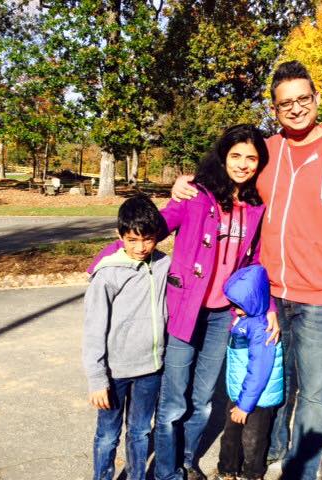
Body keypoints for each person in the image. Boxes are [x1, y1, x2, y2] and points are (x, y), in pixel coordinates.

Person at [171, 61, 322, 480]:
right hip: (269, 297)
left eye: (304, 99)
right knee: (274, 385)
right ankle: (268, 453)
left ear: (316, 98)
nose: (296, 108)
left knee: (314, 394)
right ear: (275, 109)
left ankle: (298, 471)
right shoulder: (267, 153)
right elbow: (228, 176)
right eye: (286, 103)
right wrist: (187, 182)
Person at [88, 125, 278, 480]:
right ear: (222, 157)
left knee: (202, 400)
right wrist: (106, 258)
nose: (242, 164)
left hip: (222, 316)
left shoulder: (256, 206)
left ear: (259, 163)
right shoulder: (195, 194)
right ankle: (166, 471)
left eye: (251, 158)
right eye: (235, 155)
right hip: (184, 312)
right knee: (174, 402)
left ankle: (187, 462)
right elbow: (150, 230)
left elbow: (254, 263)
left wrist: (266, 307)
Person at [82, 194, 170, 480]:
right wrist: (97, 379)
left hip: (150, 369)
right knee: (108, 434)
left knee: (140, 431)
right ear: (119, 236)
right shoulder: (108, 274)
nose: (140, 247)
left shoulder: (163, 265)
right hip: (115, 372)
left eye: (148, 239)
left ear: (157, 236)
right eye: (132, 240)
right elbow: (94, 330)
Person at [214, 265, 283, 480]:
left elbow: (259, 370)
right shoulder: (245, 317)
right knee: (231, 435)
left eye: (238, 305)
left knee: (253, 440)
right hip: (240, 391)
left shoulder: (262, 328)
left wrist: (245, 406)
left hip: (258, 398)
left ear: (254, 301)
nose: (234, 309)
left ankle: (252, 474)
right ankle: (227, 470)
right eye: (233, 304)